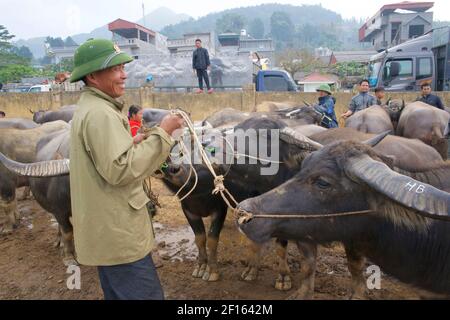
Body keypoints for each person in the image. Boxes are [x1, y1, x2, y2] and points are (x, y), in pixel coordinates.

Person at [68, 39, 184, 300]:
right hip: (120, 237)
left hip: (108, 232)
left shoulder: (93, 108)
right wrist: (164, 133)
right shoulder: (101, 114)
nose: (123, 75)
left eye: (123, 67)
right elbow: (121, 170)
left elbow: (109, 160)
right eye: (115, 69)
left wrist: (130, 144)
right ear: (93, 76)